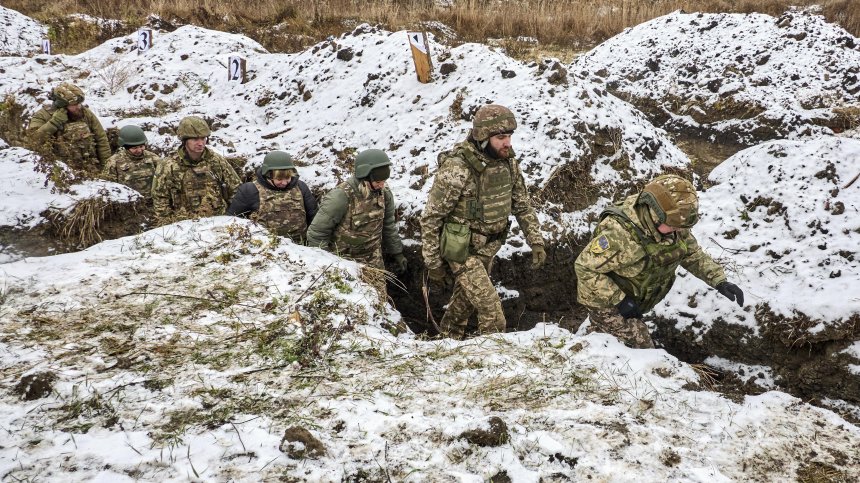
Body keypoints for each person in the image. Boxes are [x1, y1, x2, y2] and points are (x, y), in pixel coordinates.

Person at [574, 174, 745, 349]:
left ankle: (594, 335)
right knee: (642, 351)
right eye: (673, 225)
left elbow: (692, 254)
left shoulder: (675, 223)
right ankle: (594, 336)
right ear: (655, 214)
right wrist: (620, 300)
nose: (678, 230)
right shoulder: (620, 235)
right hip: (605, 301)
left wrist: (719, 281)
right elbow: (585, 267)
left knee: (615, 339)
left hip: (633, 296)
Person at [420, 104, 546, 339]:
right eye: (500, 137)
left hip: (488, 247)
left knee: (463, 304)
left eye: (509, 136)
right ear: (482, 137)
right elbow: (431, 217)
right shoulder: (458, 168)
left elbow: (522, 204)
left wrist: (535, 240)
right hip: (461, 250)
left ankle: (445, 341)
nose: (507, 142)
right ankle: (491, 363)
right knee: (493, 315)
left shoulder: (508, 163)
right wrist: (433, 261)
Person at [306, 149, 407, 305]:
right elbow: (317, 233)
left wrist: (397, 252)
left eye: (384, 181)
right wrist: (325, 267)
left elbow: (388, 225)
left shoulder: (384, 194)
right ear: (365, 176)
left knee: (380, 306)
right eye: (378, 182)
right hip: (344, 263)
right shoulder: (341, 196)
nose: (382, 185)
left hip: (374, 261)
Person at [151, 116, 241, 224]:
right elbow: (160, 198)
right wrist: (169, 226)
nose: (200, 143)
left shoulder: (217, 161)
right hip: (184, 224)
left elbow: (236, 189)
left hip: (218, 221)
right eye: (195, 139)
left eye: (203, 138)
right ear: (184, 141)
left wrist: (232, 219)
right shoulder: (167, 165)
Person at [227, 150, 318, 243]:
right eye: (279, 179)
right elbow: (232, 222)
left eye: (287, 178)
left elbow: (314, 219)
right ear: (267, 175)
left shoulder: (301, 187)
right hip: (266, 247)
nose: (284, 183)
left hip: (300, 247)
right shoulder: (249, 190)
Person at [26, 82, 111, 172]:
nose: (79, 107)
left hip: (90, 167)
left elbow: (101, 139)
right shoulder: (42, 115)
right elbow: (32, 140)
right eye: (74, 105)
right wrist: (54, 123)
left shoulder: (85, 113)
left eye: (79, 103)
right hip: (61, 171)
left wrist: (105, 168)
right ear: (61, 105)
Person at [101, 125, 161, 203]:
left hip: (152, 203)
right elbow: (108, 187)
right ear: (125, 147)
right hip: (128, 205)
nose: (139, 150)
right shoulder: (114, 162)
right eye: (134, 148)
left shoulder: (153, 158)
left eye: (141, 146)